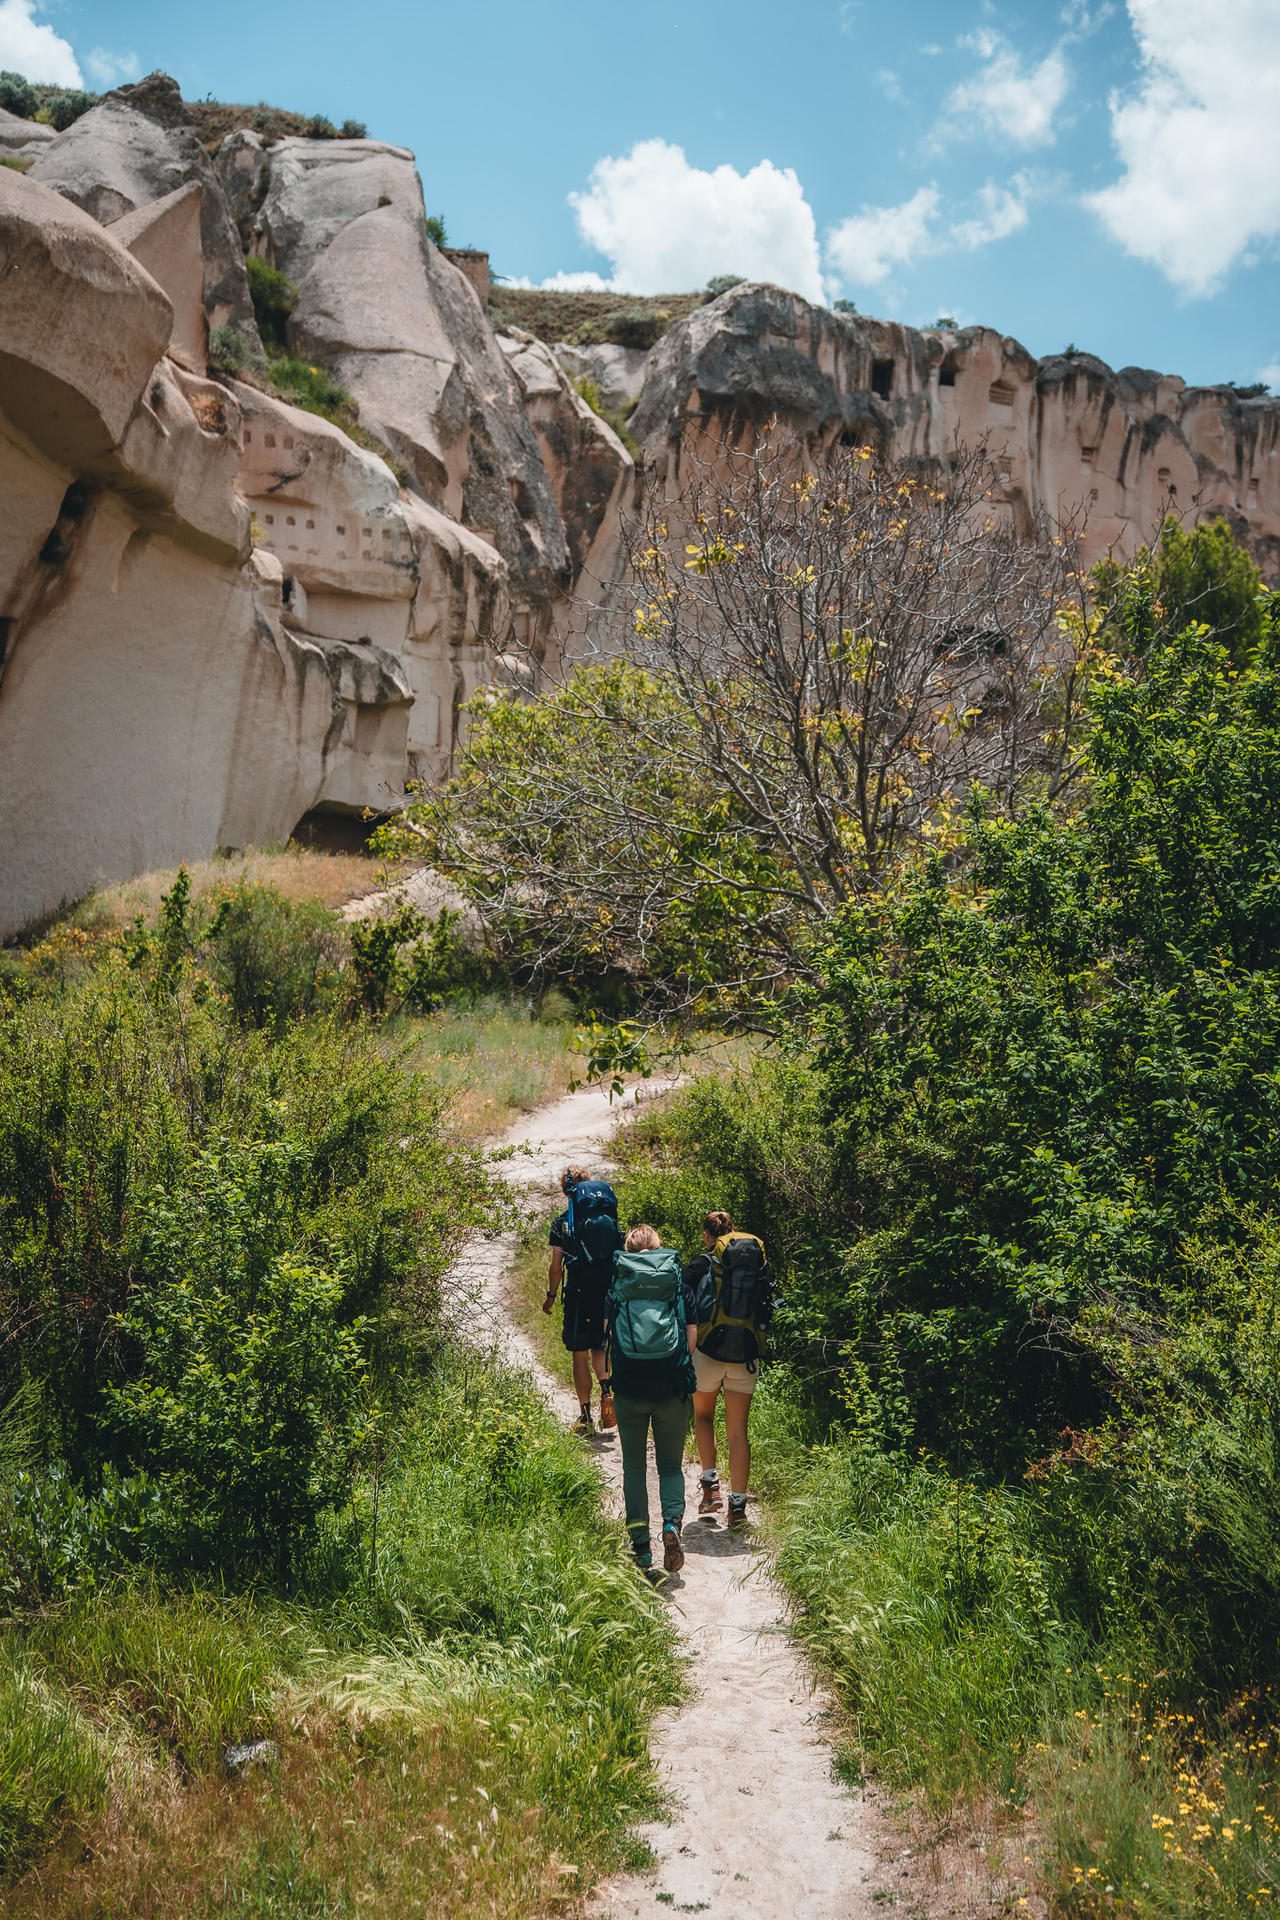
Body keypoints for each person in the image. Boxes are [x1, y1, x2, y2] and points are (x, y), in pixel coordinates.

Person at [605, 1224, 698, 1574]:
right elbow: (690, 1342)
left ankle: (641, 1548)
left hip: (629, 1389)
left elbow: (605, 1343)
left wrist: (605, 1382)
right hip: (671, 1388)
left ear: (628, 1250)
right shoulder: (679, 1289)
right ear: (659, 1249)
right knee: (670, 1466)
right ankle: (671, 1525)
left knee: (634, 1467)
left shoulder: (617, 1291)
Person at [685, 1210, 771, 1529]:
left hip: (709, 1351)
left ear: (709, 1236)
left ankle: (711, 1489)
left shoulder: (704, 1261)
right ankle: (737, 1508)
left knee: (703, 1417)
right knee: (738, 1431)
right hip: (746, 1353)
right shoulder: (755, 1260)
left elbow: (681, 1294)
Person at [543, 1165, 621, 1435]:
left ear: (567, 1190)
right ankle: (607, 1391)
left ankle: (586, 1416)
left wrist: (551, 1296)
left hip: (578, 1292)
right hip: (606, 1291)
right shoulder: (607, 1216)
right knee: (600, 1347)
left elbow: (556, 1267)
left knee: (579, 1354)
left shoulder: (561, 1223)